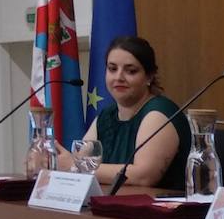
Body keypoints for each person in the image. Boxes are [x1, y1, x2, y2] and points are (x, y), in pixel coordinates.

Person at [59, 36, 189, 190]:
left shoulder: (158, 113)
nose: (119, 77)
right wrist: (53, 160)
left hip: (161, 211)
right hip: (114, 208)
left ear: (149, 76)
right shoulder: (107, 116)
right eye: (112, 69)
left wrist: (75, 166)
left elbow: (143, 176)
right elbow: (79, 160)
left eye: (131, 71)